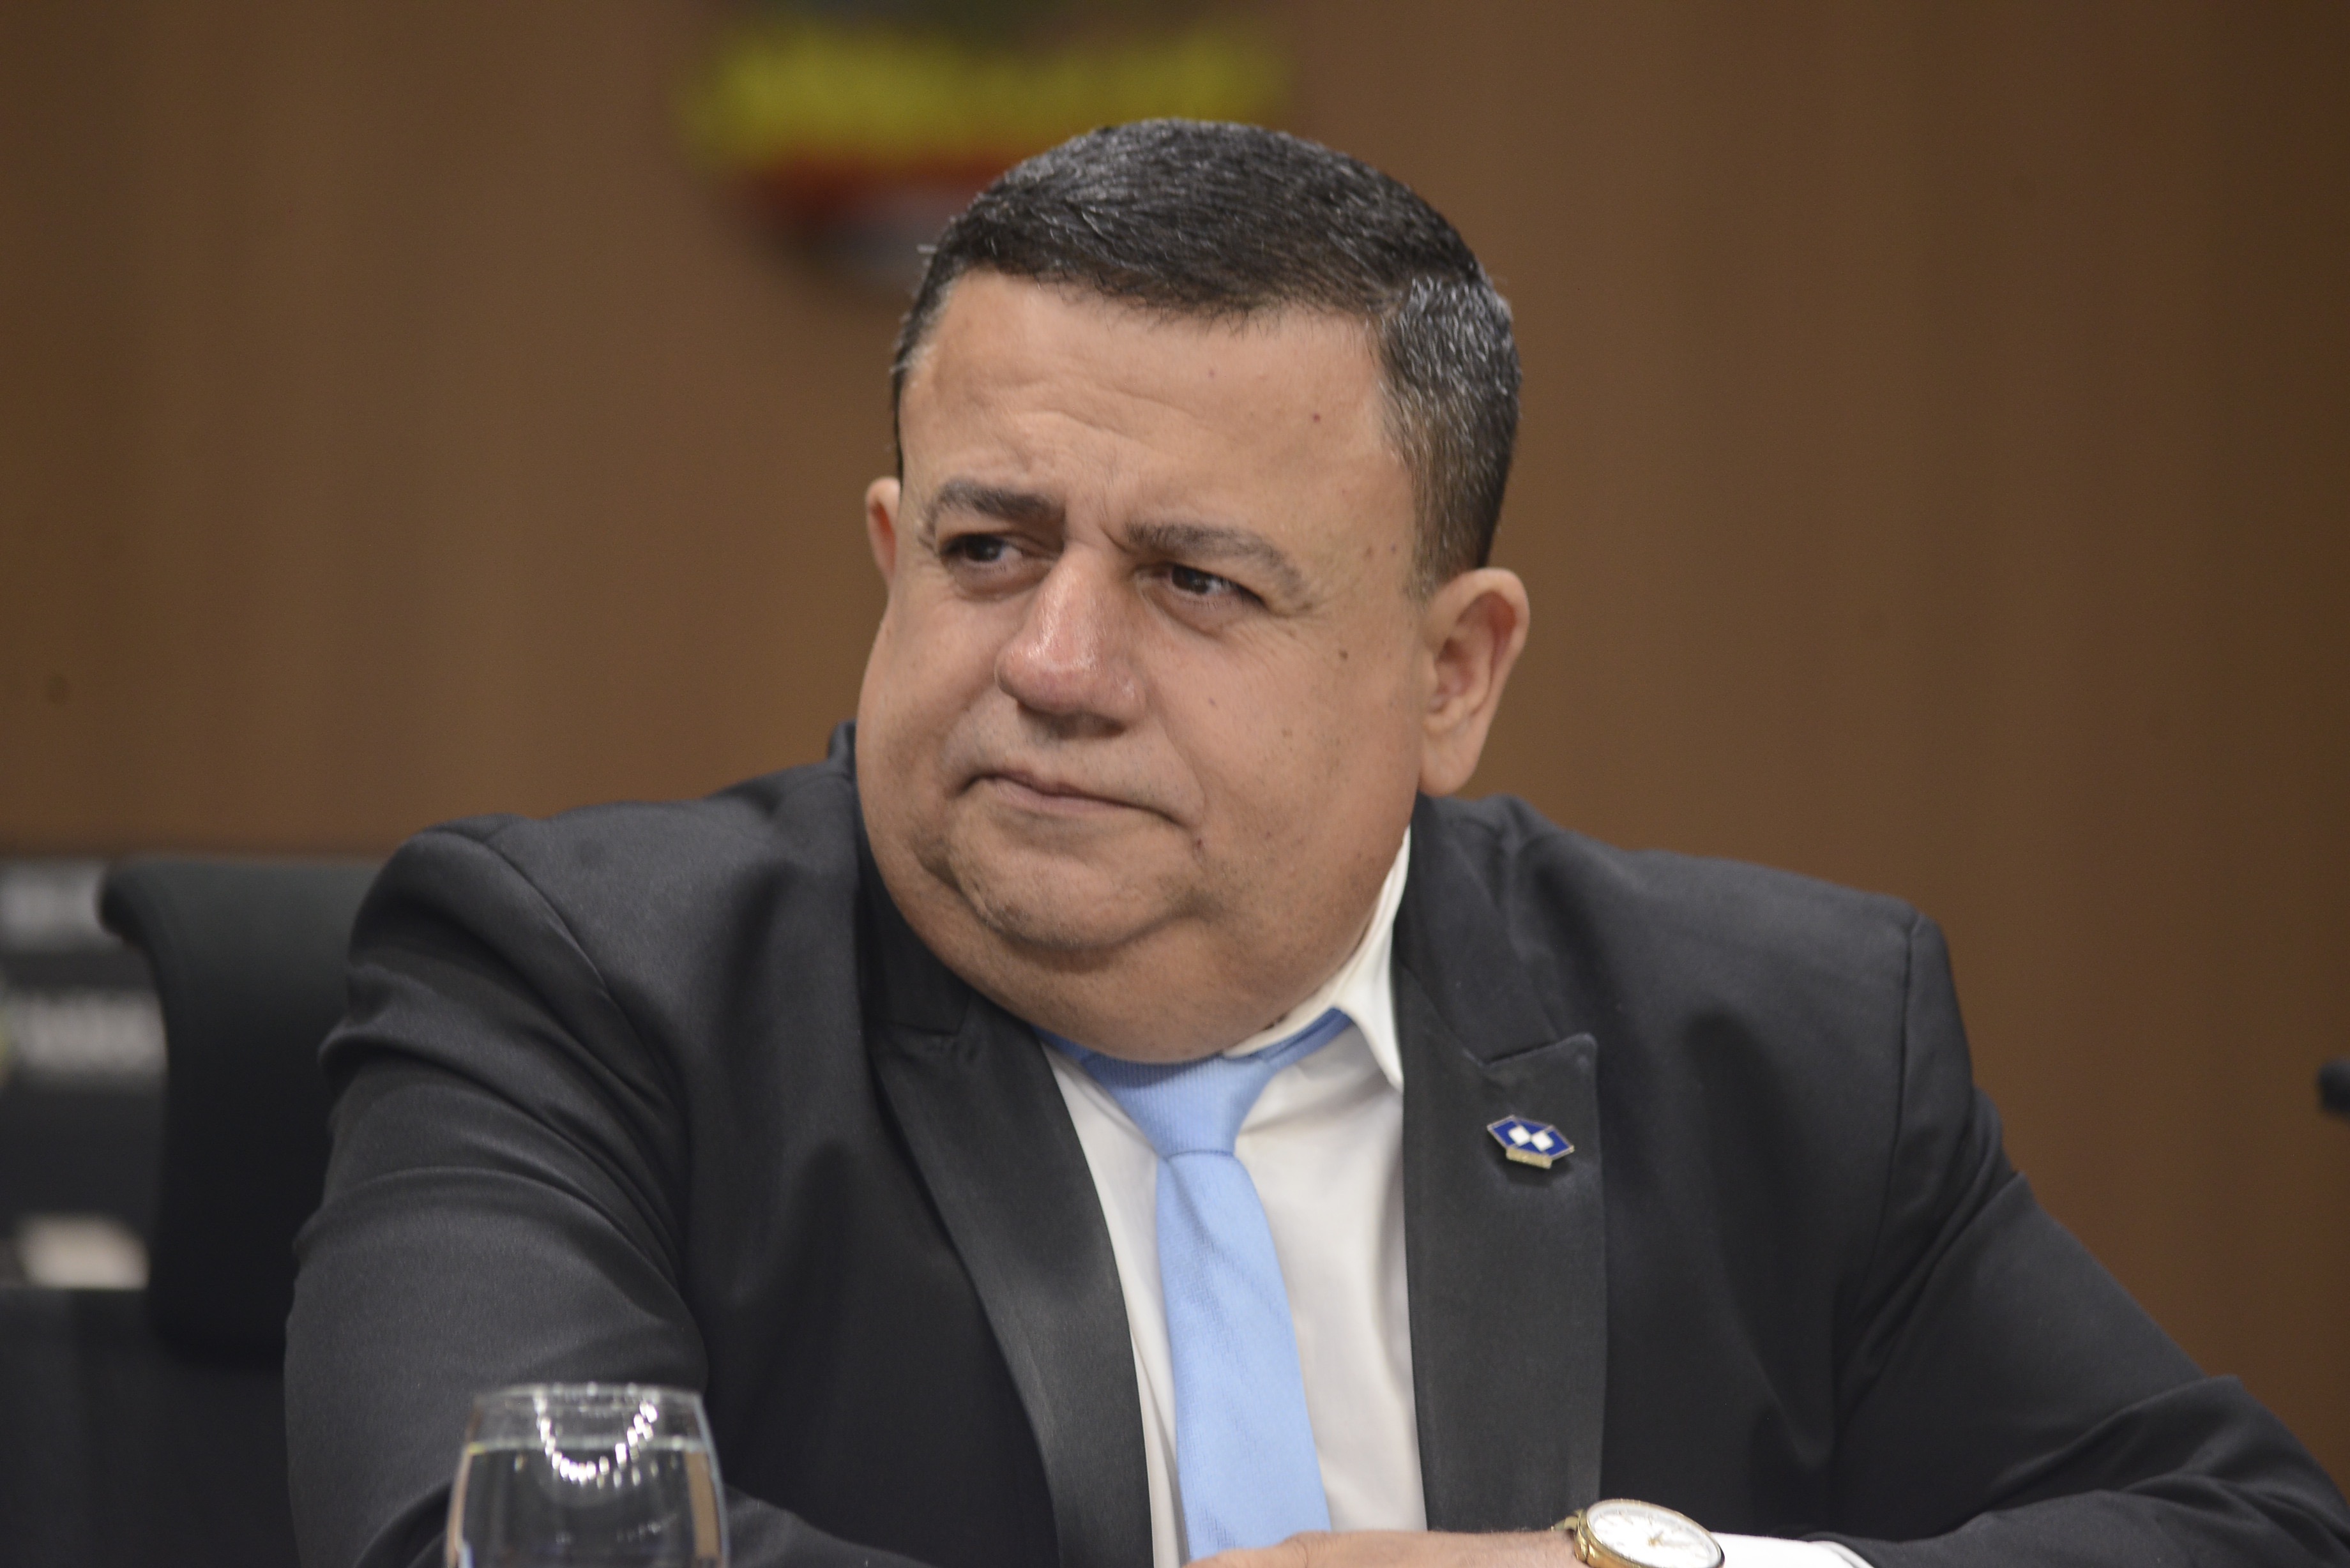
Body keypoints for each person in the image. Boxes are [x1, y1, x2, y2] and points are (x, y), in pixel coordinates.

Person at [284, 121, 2350, 1568]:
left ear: (1453, 672)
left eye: (1197, 583)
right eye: (991, 550)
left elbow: (2242, 1530)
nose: (1057, 665)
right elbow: (485, 1546)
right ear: (893, 555)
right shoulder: (577, 989)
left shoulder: (1781, 1042)